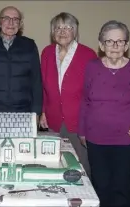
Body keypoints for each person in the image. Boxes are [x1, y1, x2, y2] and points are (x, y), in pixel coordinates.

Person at [78, 20, 130, 207]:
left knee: (121, 187)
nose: (115, 46)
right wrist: (82, 131)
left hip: (126, 140)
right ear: (101, 45)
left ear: (127, 45)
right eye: (109, 41)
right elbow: (85, 99)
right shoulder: (92, 67)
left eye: (120, 41)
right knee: (100, 185)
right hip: (96, 138)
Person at [39, 12, 97, 177]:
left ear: (75, 31)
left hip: (78, 121)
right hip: (53, 118)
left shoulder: (88, 54)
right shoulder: (47, 53)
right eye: (58, 27)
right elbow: (42, 85)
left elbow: (92, 92)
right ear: (52, 32)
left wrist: (88, 121)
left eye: (67, 27)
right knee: (54, 164)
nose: (62, 31)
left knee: (80, 166)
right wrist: (43, 111)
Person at [0, 6, 42, 119]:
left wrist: (37, 112)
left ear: (20, 24)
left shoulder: (30, 45)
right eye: (6, 18)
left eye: (16, 19)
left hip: (24, 113)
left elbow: (36, 81)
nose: (11, 23)